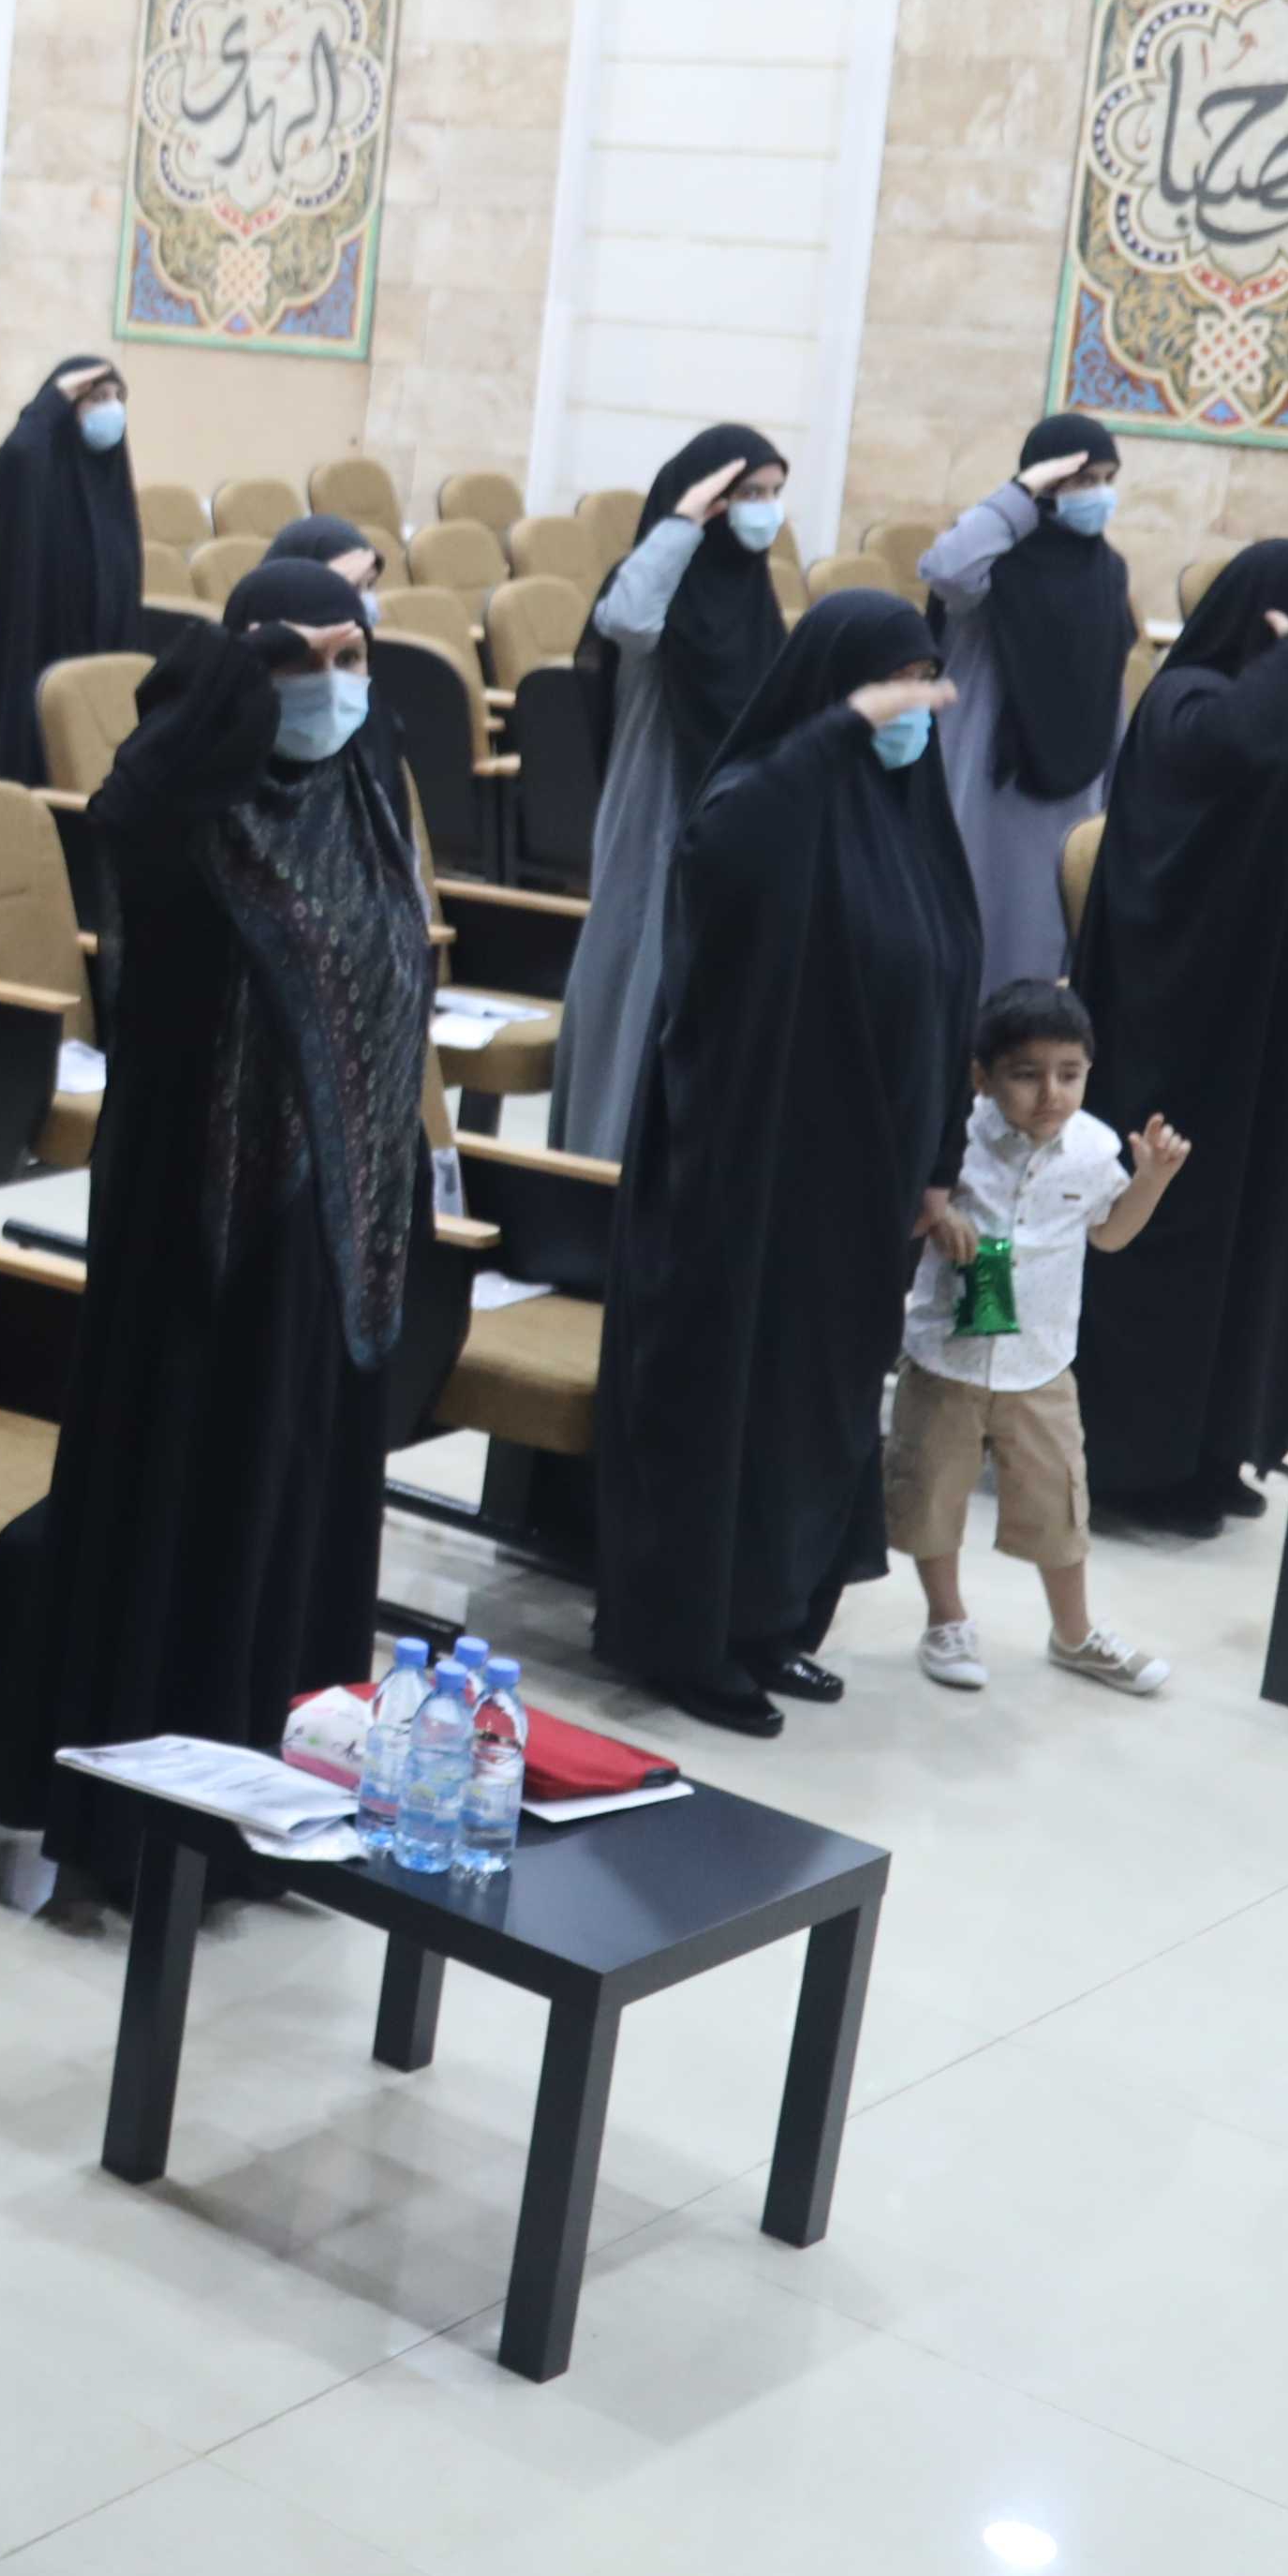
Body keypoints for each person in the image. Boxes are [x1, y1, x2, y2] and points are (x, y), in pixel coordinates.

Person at [0, 567, 438, 1865]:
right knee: (198, 1515)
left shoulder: (363, 798)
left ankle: (282, 1804)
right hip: (209, 1245)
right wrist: (234, 669)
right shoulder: (194, 817)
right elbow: (127, 803)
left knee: (300, 1518)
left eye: (351, 655)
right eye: (294, 660)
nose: (331, 685)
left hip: (342, 1242)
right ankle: (156, 1833)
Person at [586, 589, 976, 1733]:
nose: (915, 708)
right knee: (731, 1405)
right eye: (891, 685)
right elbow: (730, 849)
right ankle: (690, 1640)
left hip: (864, 1186)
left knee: (820, 1413)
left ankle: (771, 1619)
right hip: (746, 1172)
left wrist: (936, 1164)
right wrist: (837, 731)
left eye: (925, 682)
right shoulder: (760, 797)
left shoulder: (911, 815)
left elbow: (947, 990)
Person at [1073, 543, 1288, 1530]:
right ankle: (1138, 1465)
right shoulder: (1192, 702)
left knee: (1271, 1250)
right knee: (1185, 1249)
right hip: (1198, 1043)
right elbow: (1231, 747)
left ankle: (1222, 1446)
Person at [895, 979, 1190, 1695]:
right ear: (982, 1077)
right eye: (1026, 1074)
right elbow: (902, 1208)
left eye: (1070, 1073)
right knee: (931, 1493)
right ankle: (945, 1618)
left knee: (1059, 1502)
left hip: (1041, 1362)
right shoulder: (954, 1136)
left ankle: (1075, 1632)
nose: (1051, 1093)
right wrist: (936, 1216)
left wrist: (1151, 1180)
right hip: (946, 1356)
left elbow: (1110, 1235)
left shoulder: (1093, 1147)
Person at [555, 425, 789, 1158]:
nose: (764, 509)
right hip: (656, 818)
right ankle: (601, 1160)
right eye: (746, 494)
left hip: (730, 827)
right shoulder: (657, 587)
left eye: (774, 493)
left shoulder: (750, 597)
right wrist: (683, 519)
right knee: (636, 985)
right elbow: (625, 619)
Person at [923, 416, 1133, 995]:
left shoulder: (1106, 569)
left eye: (1107, 479)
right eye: (1083, 479)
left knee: (1047, 951)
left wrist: (1114, 788)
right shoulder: (997, 563)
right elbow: (945, 569)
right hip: (991, 786)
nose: (1099, 494)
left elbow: (1108, 682)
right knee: (977, 941)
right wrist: (1019, 492)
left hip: (1077, 789)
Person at [0, 356, 141, 782]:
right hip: (32, 662)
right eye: (97, 397)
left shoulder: (114, 490)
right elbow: (17, 456)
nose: (112, 409)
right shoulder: (30, 483)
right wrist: (52, 401)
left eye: (117, 397)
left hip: (98, 680)